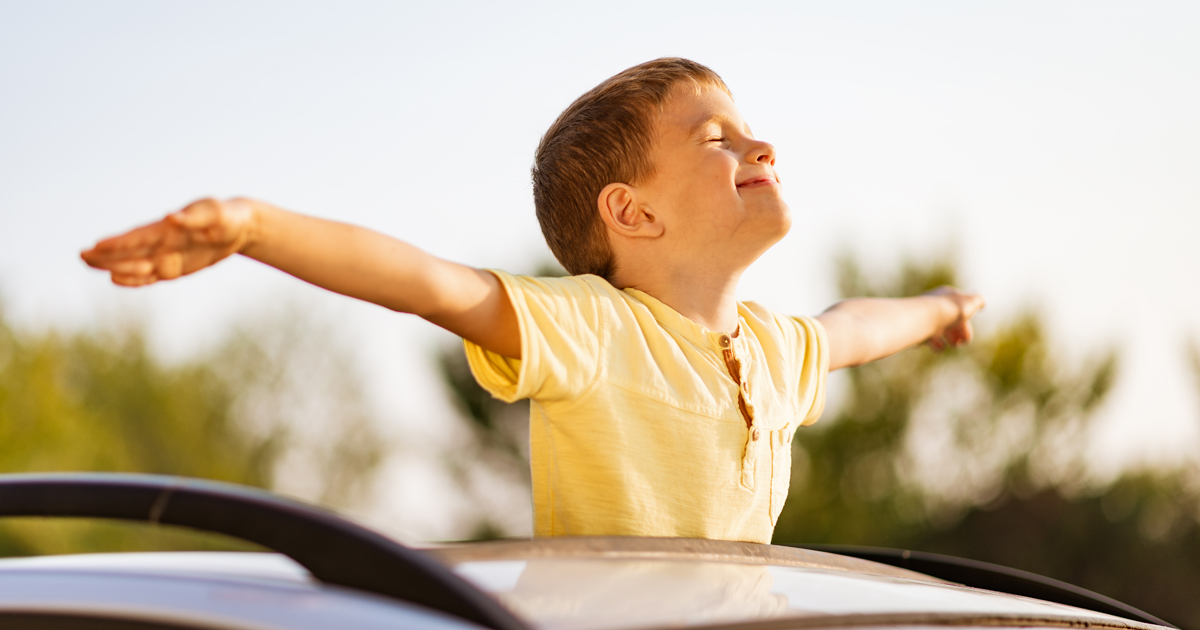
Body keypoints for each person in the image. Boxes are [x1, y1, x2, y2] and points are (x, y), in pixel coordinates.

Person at [82, 58, 983, 544]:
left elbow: (859, 326)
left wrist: (941, 307)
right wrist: (256, 227)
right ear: (630, 213)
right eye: (718, 137)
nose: (760, 144)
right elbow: (428, 283)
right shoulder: (593, 328)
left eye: (750, 129)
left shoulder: (776, 352)